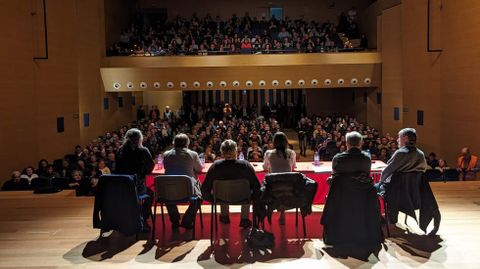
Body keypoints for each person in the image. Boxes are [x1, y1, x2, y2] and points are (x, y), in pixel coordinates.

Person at [321, 131, 383, 246]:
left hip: (342, 196)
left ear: (347, 143)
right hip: (362, 196)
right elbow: (365, 175)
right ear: (361, 143)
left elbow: (335, 176)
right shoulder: (366, 158)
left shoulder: (338, 158)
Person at [202, 139, 261, 228]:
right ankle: (244, 219)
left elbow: (205, 189)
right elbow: (257, 186)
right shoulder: (245, 165)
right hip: (244, 198)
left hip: (221, 198)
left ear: (222, 152)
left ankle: (224, 216)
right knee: (248, 191)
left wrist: (214, 199)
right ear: (236, 151)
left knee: (222, 191)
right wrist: (253, 197)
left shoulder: (215, 166)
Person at [115, 128, 155, 232]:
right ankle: (143, 219)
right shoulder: (143, 150)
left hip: (122, 186)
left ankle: (128, 218)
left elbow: (117, 168)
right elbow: (150, 167)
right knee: (150, 194)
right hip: (136, 185)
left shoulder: (120, 150)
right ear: (139, 139)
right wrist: (143, 172)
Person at [162, 133, 203, 229]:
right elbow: (199, 169)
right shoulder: (193, 154)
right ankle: (187, 221)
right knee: (200, 196)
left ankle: (175, 220)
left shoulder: (166, 154)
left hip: (170, 190)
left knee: (167, 196)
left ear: (174, 143)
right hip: (188, 190)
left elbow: (166, 167)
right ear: (187, 143)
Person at [263, 132, 296, 225]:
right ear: (286, 142)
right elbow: (293, 167)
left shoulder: (268, 153)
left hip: (273, 189)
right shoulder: (292, 153)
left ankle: (268, 208)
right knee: (283, 185)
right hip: (289, 189)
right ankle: (282, 213)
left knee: (267, 183)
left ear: (274, 142)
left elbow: (265, 167)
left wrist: (271, 167)